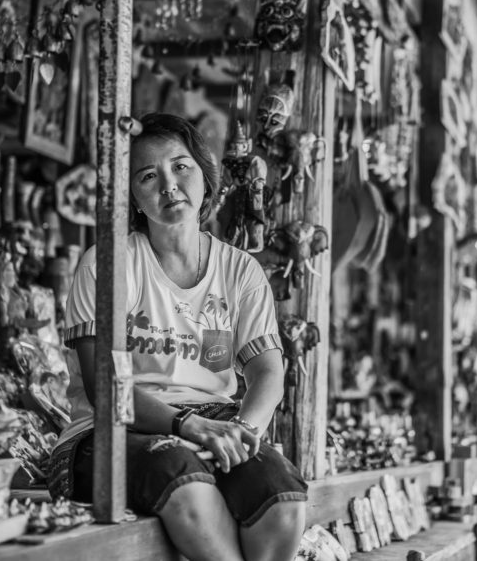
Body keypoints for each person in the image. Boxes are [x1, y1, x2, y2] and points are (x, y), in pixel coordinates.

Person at [48, 113, 307, 561]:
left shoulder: (240, 270)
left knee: (281, 493)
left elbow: (268, 370)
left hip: (215, 423)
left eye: (180, 166)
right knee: (181, 475)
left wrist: (242, 433)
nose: (168, 185)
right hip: (113, 430)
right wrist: (189, 426)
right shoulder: (107, 264)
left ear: (205, 176)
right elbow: (107, 389)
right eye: (148, 176)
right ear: (131, 195)